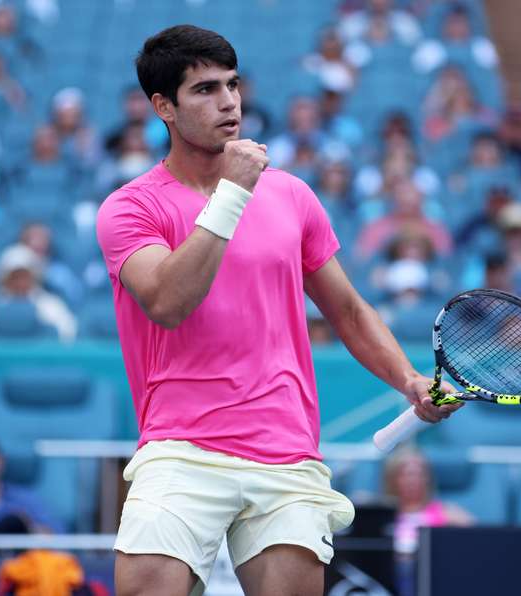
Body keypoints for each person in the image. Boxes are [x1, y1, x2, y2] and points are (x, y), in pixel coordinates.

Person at [96, 25, 460, 596]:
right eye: (205, 89)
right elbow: (168, 303)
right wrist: (233, 194)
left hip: (284, 448)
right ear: (163, 106)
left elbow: (348, 310)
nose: (228, 102)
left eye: (233, 85)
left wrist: (409, 379)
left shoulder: (292, 195)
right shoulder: (129, 208)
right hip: (181, 446)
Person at [383, 446, 472, 596]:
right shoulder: (382, 514)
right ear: (393, 479)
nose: (413, 480)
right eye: (406, 474)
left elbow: (474, 536)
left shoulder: (446, 513)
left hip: (432, 578)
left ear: (428, 479)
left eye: (419, 474)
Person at [0, 244, 78, 341]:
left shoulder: (51, 306)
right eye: (15, 276)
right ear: (5, 278)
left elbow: (67, 336)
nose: (20, 282)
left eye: (24, 276)